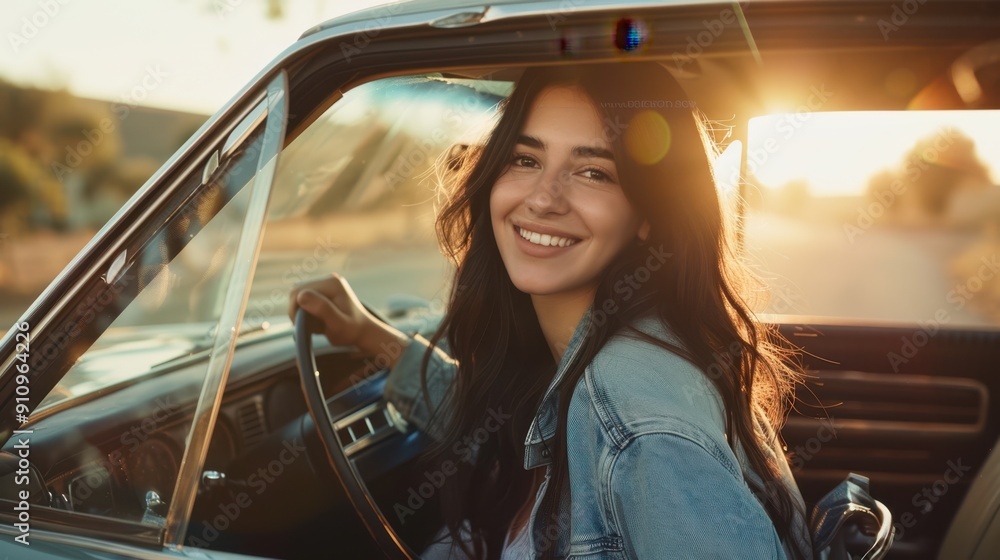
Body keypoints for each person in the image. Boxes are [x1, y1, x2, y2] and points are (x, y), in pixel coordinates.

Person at [288, 62, 814, 559]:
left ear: (650, 214)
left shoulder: (632, 411)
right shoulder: (599, 353)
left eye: (593, 172)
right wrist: (373, 339)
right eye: (526, 159)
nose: (543, 198)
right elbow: (507, 428)